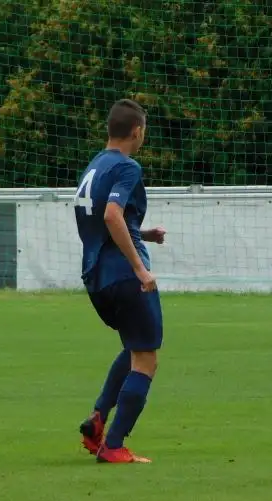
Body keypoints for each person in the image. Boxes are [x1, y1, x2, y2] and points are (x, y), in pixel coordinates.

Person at [73, 99, 167, 464]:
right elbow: (113, 215)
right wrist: (141, 270)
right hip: (125, 277)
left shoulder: (94, 166)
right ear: (137, 131)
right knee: (146, 358)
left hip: (96, 277)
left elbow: (102, 222)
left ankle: (97, 421)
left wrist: (143, 233)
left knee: (133, 349)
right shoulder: (127, 167)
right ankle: (113, 445)